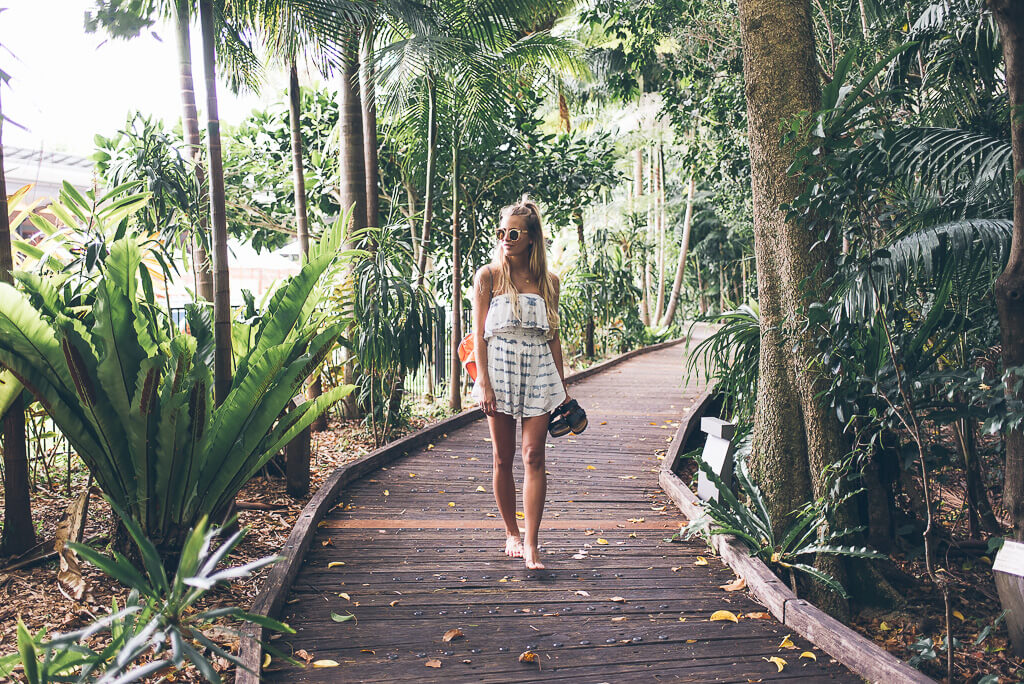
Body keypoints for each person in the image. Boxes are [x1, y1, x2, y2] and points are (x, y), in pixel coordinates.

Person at [470, 197, 569, 571]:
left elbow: (554, 337)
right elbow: (478, 335)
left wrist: (563, 389)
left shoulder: (548, 282)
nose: (505, 239)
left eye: (513, 233)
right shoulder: (489, 277)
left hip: (539, 372)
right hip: (499, 371)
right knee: (502, 457)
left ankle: (532, 544)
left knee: (534, 456)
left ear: (531, 238)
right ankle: (510, 532)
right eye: (501, 232)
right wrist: (484, 383)